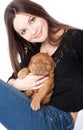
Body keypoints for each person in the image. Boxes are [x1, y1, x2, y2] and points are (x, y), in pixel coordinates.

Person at [0, 0, 83, 129]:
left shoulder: (76, 38)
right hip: (30, 110)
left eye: (32, 20)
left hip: (56, 120)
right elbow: (11, 80)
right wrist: (17, 83)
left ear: (39, 12)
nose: (33, 32)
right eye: (23, 31)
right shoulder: (34, 50)